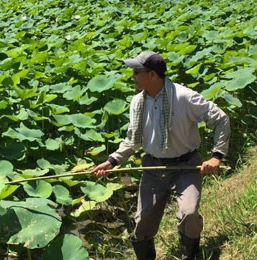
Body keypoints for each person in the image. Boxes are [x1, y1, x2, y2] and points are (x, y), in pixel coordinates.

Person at [91, 51, 230, 260]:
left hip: (185, 165)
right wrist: (112, 161)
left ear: (153, 74)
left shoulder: (183, 97)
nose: (133, 77)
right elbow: (133, 140)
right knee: (142, 222)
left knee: (189, 214)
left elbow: (221, 119)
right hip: (153, 168)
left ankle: (190, 256)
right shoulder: (138, 102)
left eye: (137, 72)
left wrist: (216, 156)